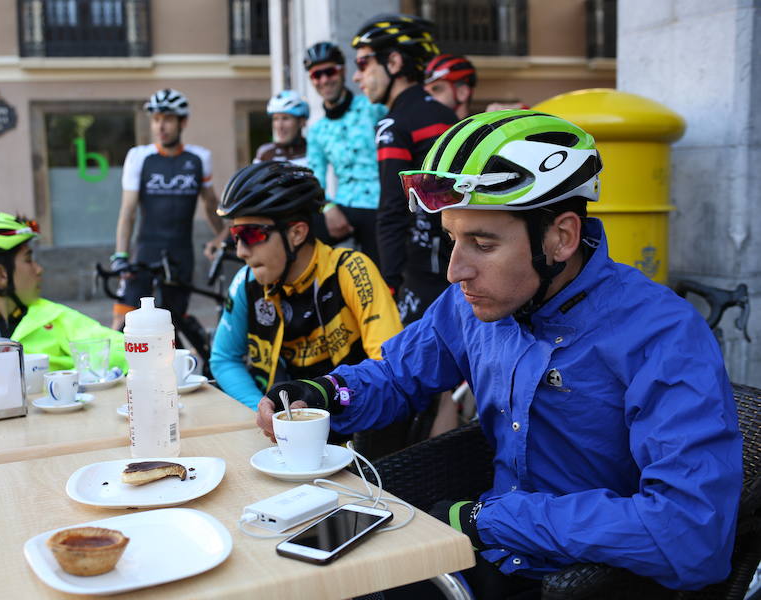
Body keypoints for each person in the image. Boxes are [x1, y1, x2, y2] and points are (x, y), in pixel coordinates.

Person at [256, 111, 742, 596]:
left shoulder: (664, 336)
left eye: (482, 244)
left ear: (560, 238)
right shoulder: (473, 304)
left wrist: (489, 519)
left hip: (587, 580)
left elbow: (691, 534)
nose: (454, 271)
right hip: (484, 550)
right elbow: (399, 375)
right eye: (452, 239)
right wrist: (325, 392)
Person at [209, 160, 401, 411]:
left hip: (352, 425)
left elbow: (390, 366)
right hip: (283, 432)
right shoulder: (246, 282)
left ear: (297, 233)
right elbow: (224, 359)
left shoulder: (351, 270)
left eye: (251, 234)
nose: (241, 251)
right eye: (236, 236)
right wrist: (262, 410)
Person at [0, 212, 127, 396]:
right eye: (29, 260)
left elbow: (121, 349)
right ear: (1, 275)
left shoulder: (54, 317)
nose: (39, 270)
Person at [351, 13, 458, 325]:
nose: (357, 77)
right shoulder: (445, 115)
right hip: (457, 264)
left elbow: (393, 208)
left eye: (362, 64)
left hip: (419, 272)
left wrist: (389, 279)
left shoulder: (393, 124)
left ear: (394, 62)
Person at [111, 88, 226, 330]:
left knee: (172, 324)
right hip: (144, 252)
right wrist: (120, 255)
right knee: (124, 320)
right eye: (156, 120)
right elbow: (128, 211)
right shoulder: (139, 157)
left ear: (182, 122)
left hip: (180, 254)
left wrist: (223, 237)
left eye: (168, 119)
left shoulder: (199, 158)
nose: (160, 126)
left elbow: (210, 204)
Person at [304, 41, 385, 264]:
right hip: (344, 207)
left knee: (383, 276)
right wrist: (328, 207)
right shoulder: (317, 130)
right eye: (316, 75)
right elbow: (314, 179)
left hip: (381, 205)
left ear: (342, 71)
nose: (324, 80)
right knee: (297, 235)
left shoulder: (373, 106)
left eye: (329, 71)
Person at [254, 90, 309, 167]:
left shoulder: (314, 150)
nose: (280, 126)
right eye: (275, 119)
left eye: (285, 118)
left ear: (301, 122)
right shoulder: (265, 153)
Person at [423, 53, 477, 120]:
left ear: (462, 92)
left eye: (436, 89)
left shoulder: (482, 129)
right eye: (426, 93)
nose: (428, 98)